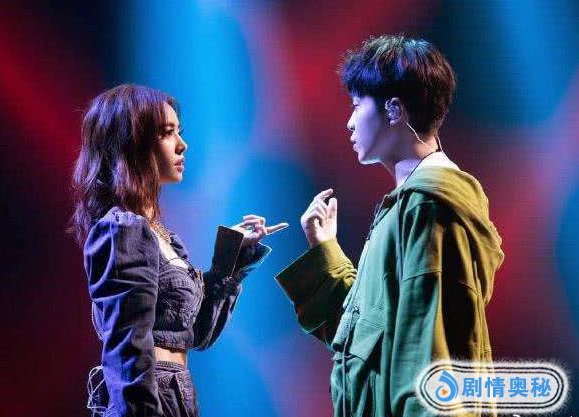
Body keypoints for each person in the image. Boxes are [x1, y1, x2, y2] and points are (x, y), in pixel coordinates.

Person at [275, 35, 504, 416]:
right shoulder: (405, 207)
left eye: (356, 105)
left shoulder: (430, 206)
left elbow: (430, 349)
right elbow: (363, 337)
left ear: (394, 110)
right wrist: (325, 248)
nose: (349, 122)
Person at [69, 84, 287, 417]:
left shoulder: (164, 238)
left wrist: (231, 256)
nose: (182, 145)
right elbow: (127, 348)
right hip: (148, 399)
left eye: (178, 132)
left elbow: (198, 334)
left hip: (177, 393)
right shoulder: (122, 229)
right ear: (134, 143)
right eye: (167, 133)